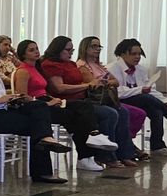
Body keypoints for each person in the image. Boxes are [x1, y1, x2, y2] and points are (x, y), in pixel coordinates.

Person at [13, 40, 127, 179]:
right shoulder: (23, 71)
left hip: (47, 100)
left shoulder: (37, 68)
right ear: (23, 54)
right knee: (78, 116)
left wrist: (52, 99)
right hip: (37, 105)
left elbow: (44, 90)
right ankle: (86, 153)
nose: (36, 51)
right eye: (31, 50)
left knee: (83, 107)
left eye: (36, 48)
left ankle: (94, 137)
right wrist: (47, 102)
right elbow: (22, 96)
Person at [0, 46, 70, 184]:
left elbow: (0, 97)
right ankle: (43, 167)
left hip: (1, 110)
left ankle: (46, 140)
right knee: (37, 126)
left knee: (39, 106)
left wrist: (11, 98)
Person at [37, 35, 139, 169]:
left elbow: (110, 81)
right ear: (58, 49)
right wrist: (88, 85)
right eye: (68, 50)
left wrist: (90, 84)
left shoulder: (71, 64)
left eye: (72, 50)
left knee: (122, 111)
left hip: (83, 100)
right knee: (109, 113)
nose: (70, 53)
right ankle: (106, 155)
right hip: (68, 101)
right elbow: (59, 88)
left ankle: (124, 154)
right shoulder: (52, 65)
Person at [109, 38, 167, 157]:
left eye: (139, 54)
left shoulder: (140, 69)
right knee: (145, 98)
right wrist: (140, 90)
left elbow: (151, 89)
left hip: (139, 100)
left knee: (156, 110)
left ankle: (157, 146)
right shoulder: (112, 68)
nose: (137, 57)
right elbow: (117, 92)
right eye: (133, 54)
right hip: (119, 100)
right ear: (122, 54)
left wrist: (166, 102)